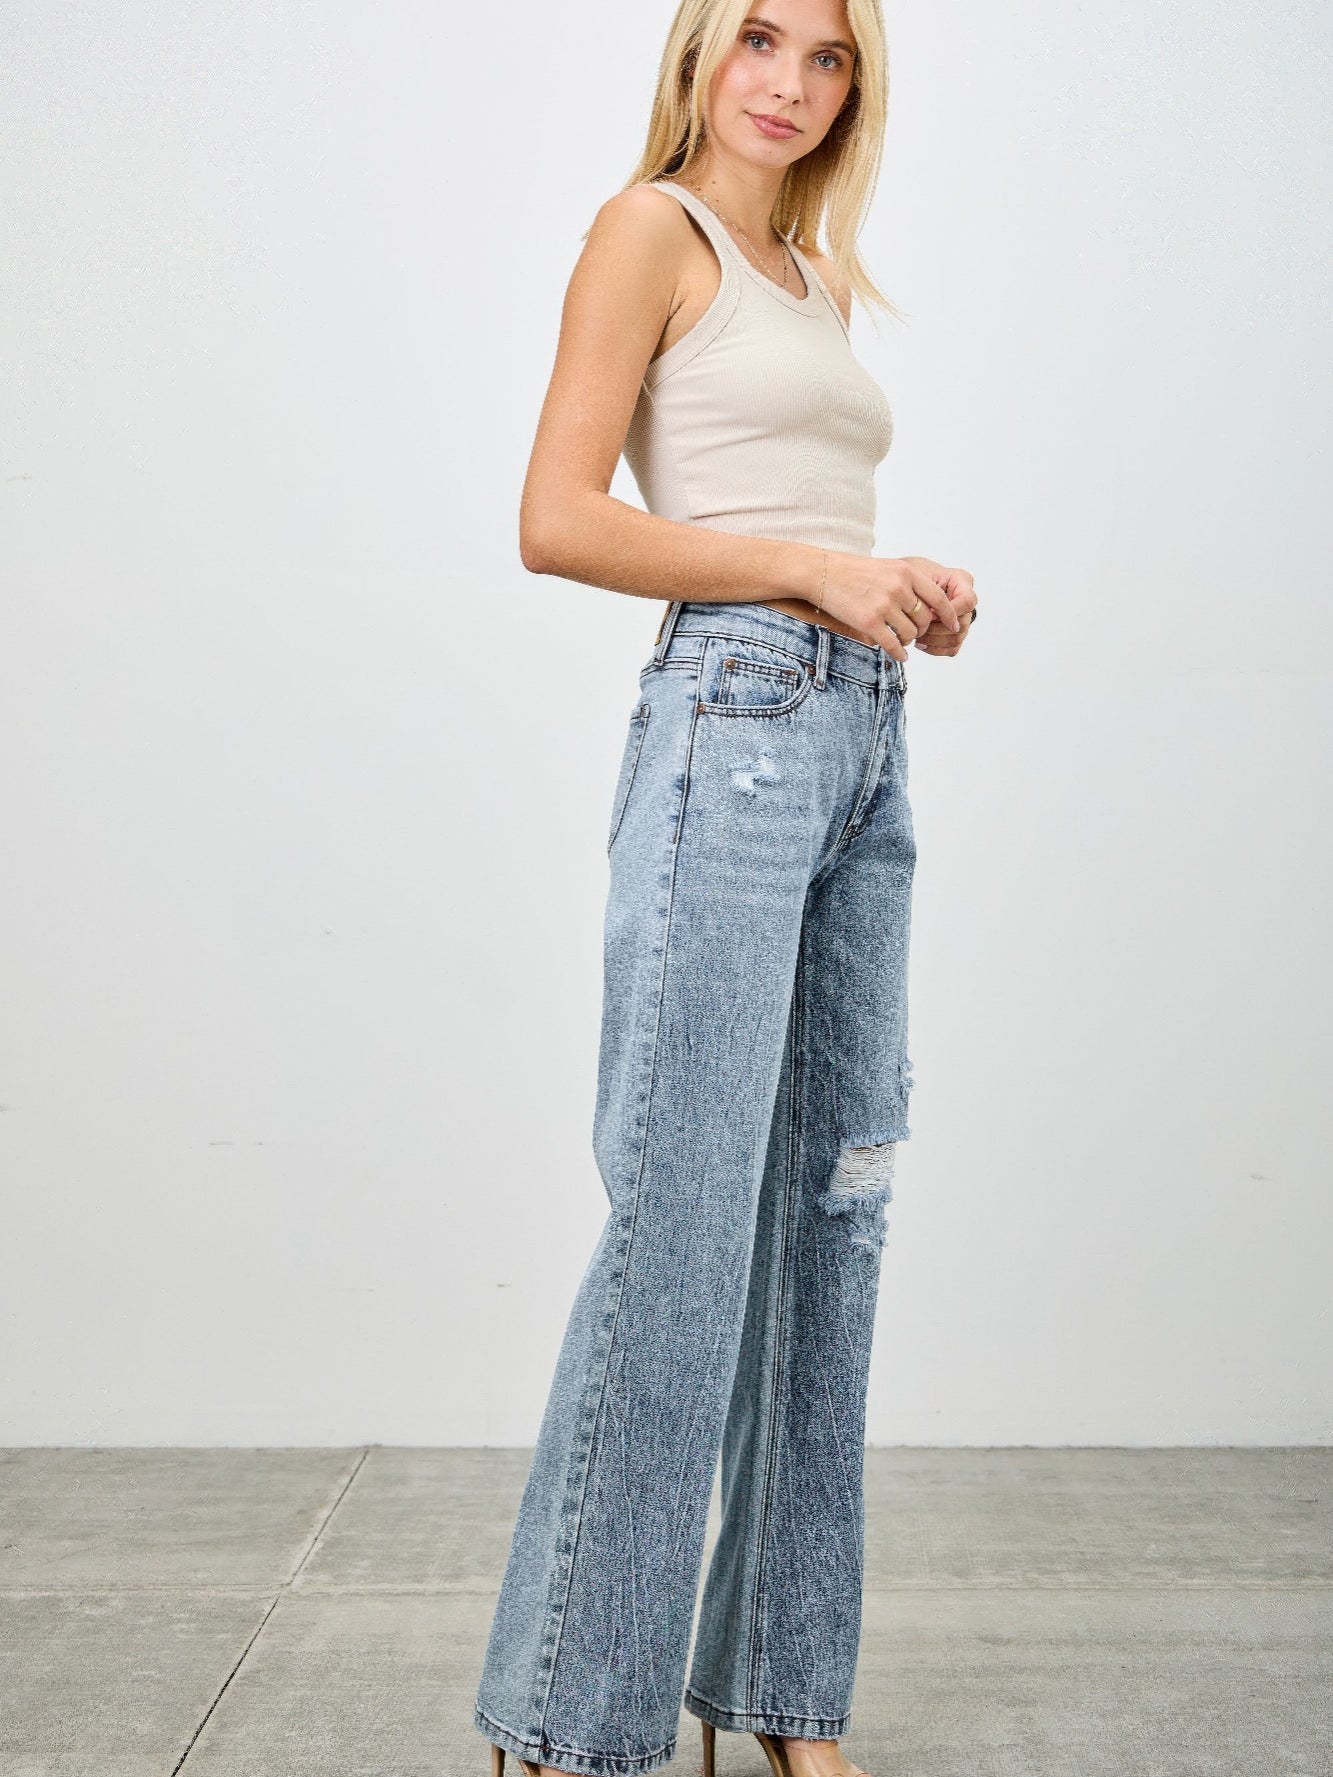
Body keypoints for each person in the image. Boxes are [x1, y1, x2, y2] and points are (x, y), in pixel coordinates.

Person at [475, 2, 977, 1775]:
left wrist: (892, 588)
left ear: (854, 92)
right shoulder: (651, 234)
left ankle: (775, 1692)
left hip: (859, 734)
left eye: (826, 56)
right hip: (735, 725)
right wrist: (805, 577)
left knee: (830, 1209)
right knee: (684, 1217)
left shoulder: (811, 279)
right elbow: (559, 515)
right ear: (698, 56)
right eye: (757, 36)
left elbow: (806, 527)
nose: (788, 78)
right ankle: (563, 1717)